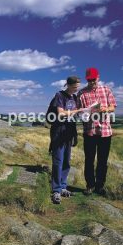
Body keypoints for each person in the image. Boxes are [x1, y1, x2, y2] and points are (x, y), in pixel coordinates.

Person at [77, 67, 116, 196]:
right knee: (89, 160)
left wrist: (106, 109)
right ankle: (90, 185)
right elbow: (78, 111)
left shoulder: (106, 90)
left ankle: (100, 186)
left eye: (94, 79)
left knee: (102, 161)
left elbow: (113, 107)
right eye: (89, 80)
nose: (92, 82)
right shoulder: (81, 93)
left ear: (98, 77)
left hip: (105, 131)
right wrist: (83, 113)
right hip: (90, 131)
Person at [49, 76, 82, 204]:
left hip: (69, 131)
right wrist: (77, 110)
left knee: (66, 161)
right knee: (58, 160)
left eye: (77, 87)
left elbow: (75, 115)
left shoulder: (74, 98)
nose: (76, 90)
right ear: (68, 85)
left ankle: (63, 186)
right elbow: (61, 113)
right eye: (74, 87)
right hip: (59, 131)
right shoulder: (60, 95)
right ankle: (56, 190)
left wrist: (83, 112)